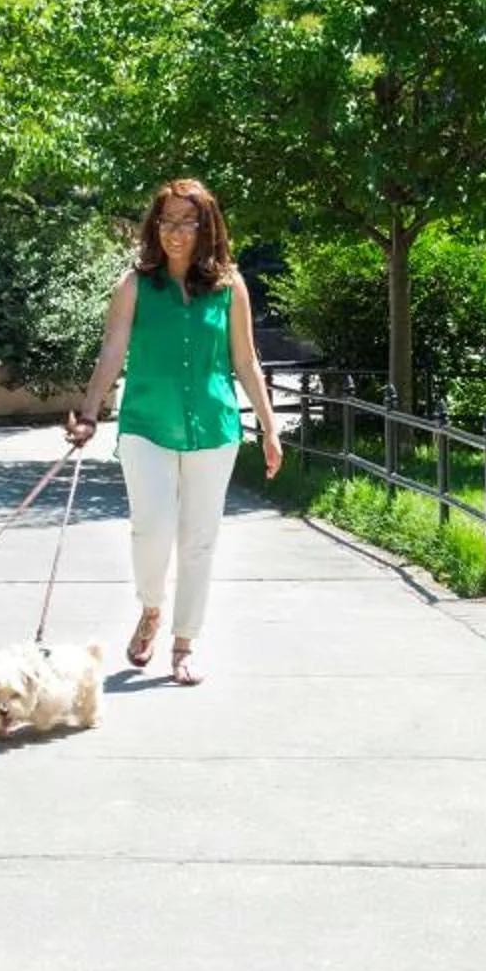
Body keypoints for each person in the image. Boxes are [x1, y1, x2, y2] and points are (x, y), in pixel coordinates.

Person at [65, 178, 283, 686]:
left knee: (199, 541)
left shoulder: (231, 286)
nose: (176, 232)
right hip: (146, 423)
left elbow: (246, 361)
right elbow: (113, 352)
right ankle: (151, 607)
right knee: (153, 529)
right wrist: (90, 413)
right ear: (154, 226)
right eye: (167, 221)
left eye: (188, 222)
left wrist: (270, 429)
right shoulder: (135, 284)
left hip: (213, 425)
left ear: (207, 227)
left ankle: (184, 644)